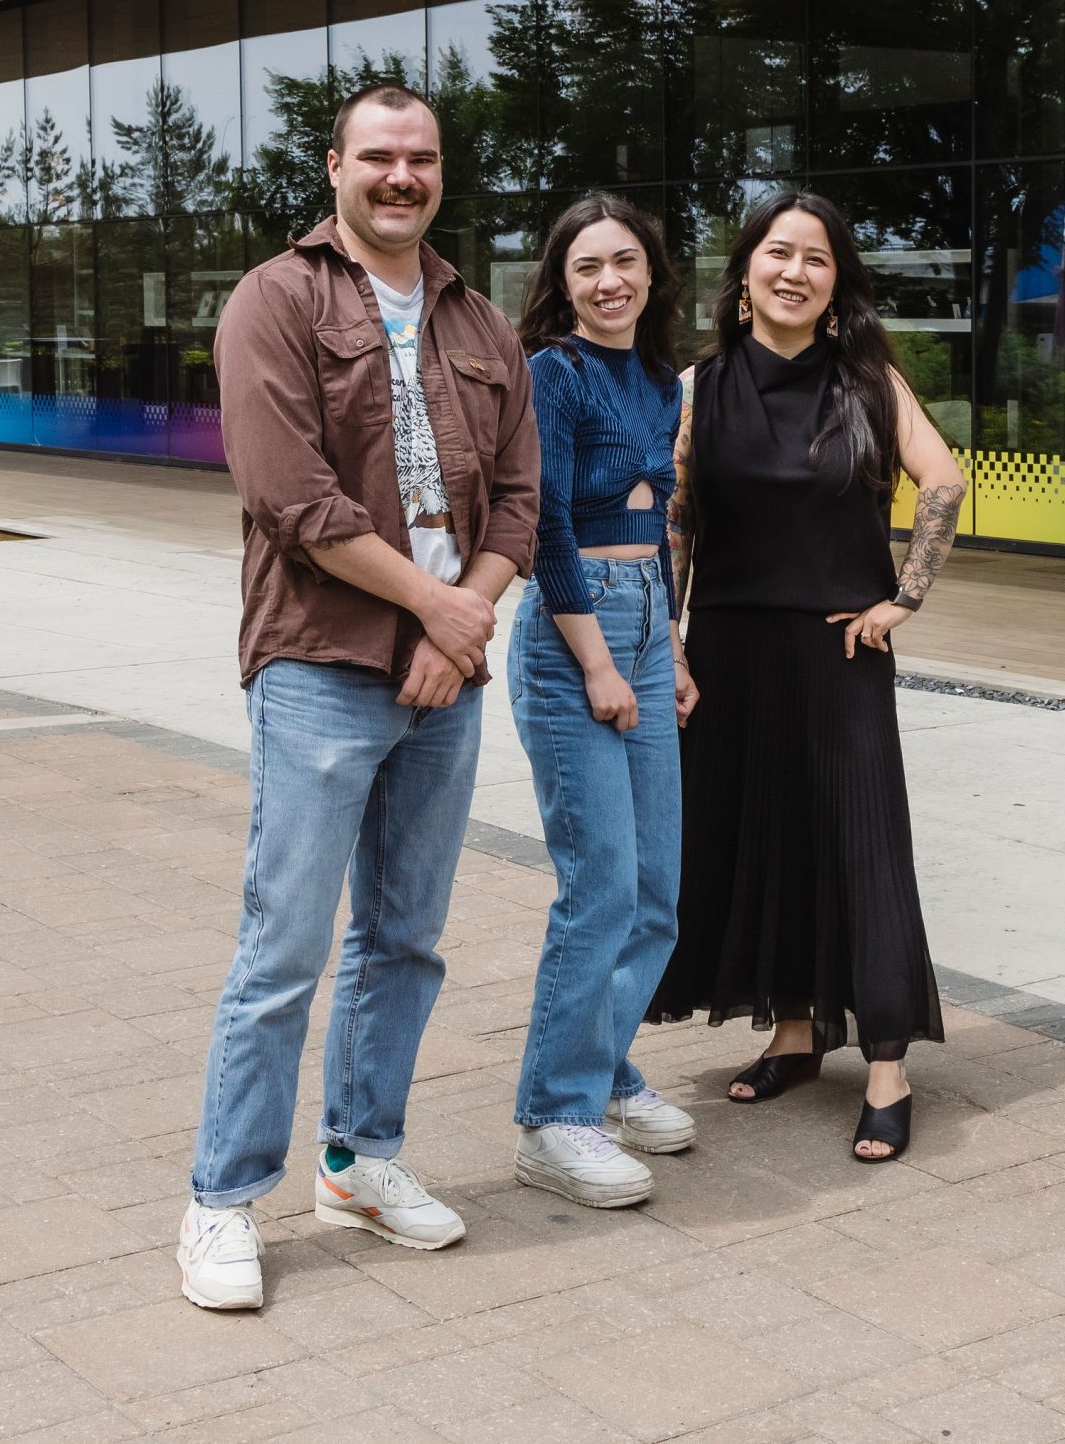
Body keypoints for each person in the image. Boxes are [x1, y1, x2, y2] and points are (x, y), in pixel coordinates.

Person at [182, 84, 540, 1312]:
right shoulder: (274, 301)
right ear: (333, 168)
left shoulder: (482, 321)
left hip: (448, 675)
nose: (402, 176)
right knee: (281, 951)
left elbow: (520, 508)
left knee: (404, 940)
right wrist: (433, 610)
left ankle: (357, 1160)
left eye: (421, 158)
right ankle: (222, 1200)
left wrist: (464, 615)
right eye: (378, 157)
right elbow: (292, 497)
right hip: (323, 669)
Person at [649, 188, 967, 1164]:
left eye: (815, 259)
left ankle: (884, 1066)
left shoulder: (866, 379)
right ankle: (794, 1030)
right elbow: (679, 521)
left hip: (840, 652)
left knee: (860, 846)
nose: (793, 271)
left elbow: (943, 479)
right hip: (732, 655)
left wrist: (902, 600)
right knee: (764, 841)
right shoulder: (699, 385)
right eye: (776, 254)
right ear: (744, 274)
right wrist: (669, 642)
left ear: (835, 285)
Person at [505, 195, 698, 1209]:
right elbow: (540, 528)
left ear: (652, 274)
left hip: (643, 629)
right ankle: (554, 1117)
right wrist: (598, 664)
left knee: (658, 888)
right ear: (562, 282)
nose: (608, 281)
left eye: (625, 262)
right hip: (568, 632)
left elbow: (661, 524)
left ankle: (608, 1075)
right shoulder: (553, 374)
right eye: (587, 268)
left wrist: (664, 645)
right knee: (601, 890)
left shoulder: (661, 382)